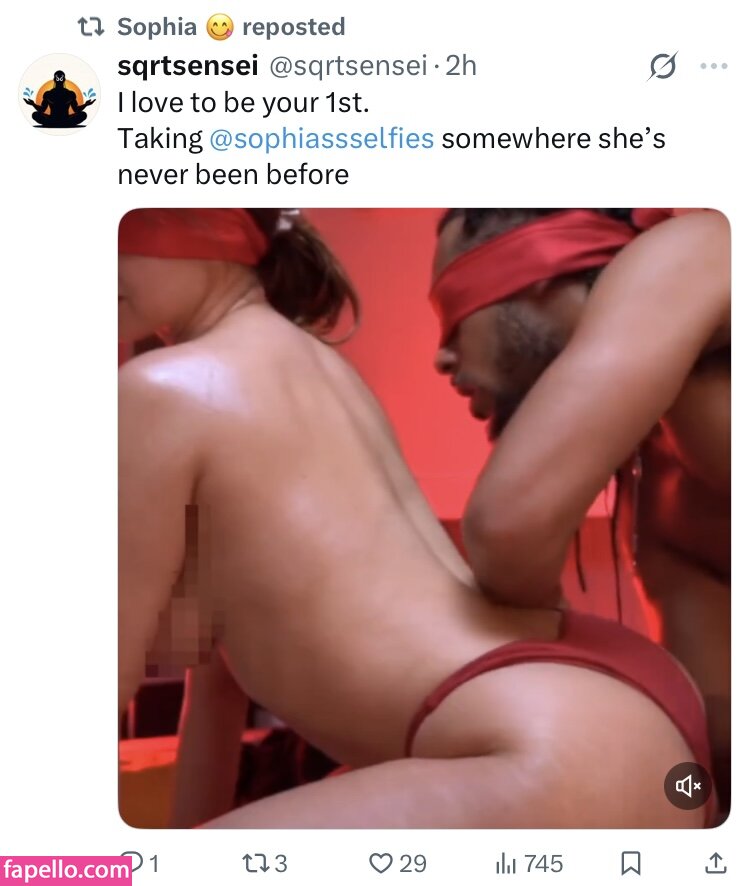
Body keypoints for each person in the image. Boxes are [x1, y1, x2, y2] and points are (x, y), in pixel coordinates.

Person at [119, 208, 713, 829]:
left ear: (206, 230)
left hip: (538, 742)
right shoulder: (320, 373)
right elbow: (214, 693)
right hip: (626, 710)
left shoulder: (161, 388)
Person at [430, 207, 730, 812]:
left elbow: (507, 528)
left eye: (451, 310)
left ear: (538, 267)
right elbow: (717, 753)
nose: (441, 358)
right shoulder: (661, 507)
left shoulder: (698, 246)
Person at [24, 70, 94, 127]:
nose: (59, 80)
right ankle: (63, 124)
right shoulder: (48, 94)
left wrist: (86, 104)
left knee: (83, 114)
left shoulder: (70, 93)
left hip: (61, 120)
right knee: (35, 114)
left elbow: (75, 109)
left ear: (54, 80)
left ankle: (53, 124)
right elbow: (42, 109)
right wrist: (33, 104)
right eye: (58, 78)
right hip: (57, 120)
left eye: (61, 78)